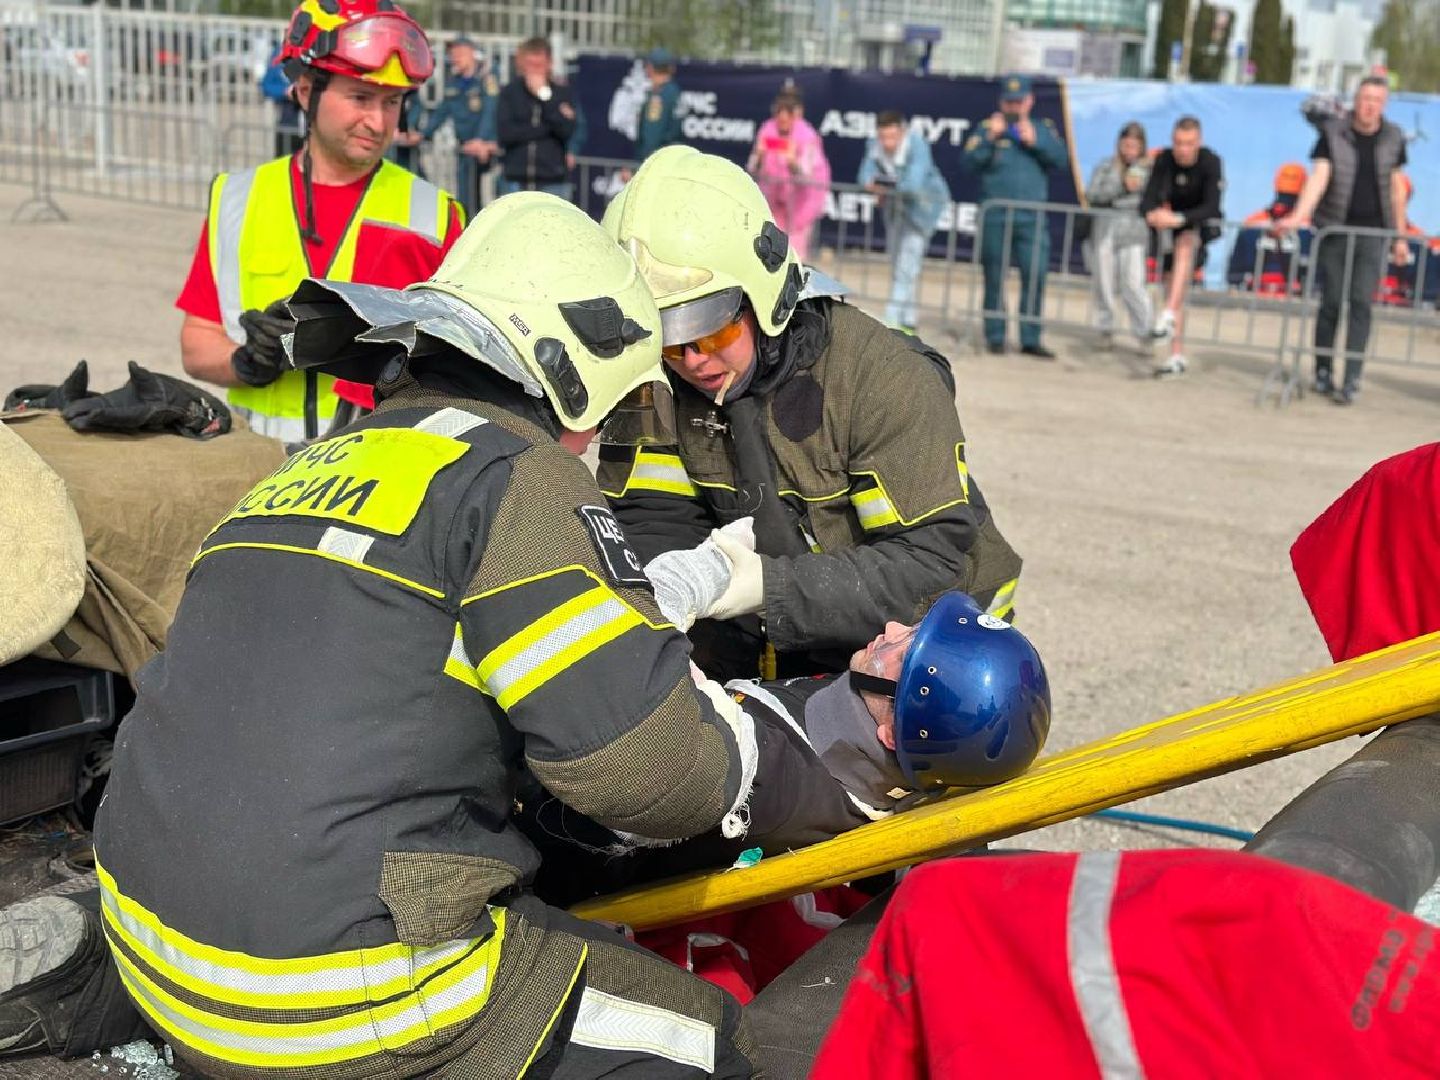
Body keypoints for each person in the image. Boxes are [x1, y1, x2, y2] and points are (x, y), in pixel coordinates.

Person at [0, 194, 830, 1073]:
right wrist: (766, 740)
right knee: (703, 1035)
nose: (593, 444)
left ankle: (99, 961)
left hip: (152, 931)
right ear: (576, 375)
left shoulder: (308, 464)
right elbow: (653, 777)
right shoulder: (518, 476)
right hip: (335, 999)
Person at [599, 146, 1023, 682]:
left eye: (712, 329)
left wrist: (764, 587)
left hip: (931, 650)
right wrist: (678, 590)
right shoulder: (656, 380)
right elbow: (649, 516)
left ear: (764, 292)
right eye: (667, 338)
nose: (693, 360)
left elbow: (929, 566)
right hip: (772, 633)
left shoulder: (881, 376)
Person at [174, 0, 466, 443]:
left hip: (377, 478)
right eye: (360, 97)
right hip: (259, 474)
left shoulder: (435, 213)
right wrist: (246, 362)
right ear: (307, 90)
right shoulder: (237, 198)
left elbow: (467, 369)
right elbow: (196, 343)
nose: (378, 121)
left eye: (392, 102)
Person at [1275, 76, 1410, 405]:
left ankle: (1352, 378)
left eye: (1377, 100)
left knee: (1361, 304)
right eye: (1365, 98)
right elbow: (1319, 178)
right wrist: (1299, 216)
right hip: (1334, 229)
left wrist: (1400, 237)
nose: (1369, 106)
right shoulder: (1332, 133)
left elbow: (1396, 190)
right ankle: (1322, 370)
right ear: (1355, 99)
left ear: (1385, 104)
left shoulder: (1394, 137)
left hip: (1373, 234)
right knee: (1332, 302)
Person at [962, 74, 1066, 359]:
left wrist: (1037, 142)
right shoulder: (987, 129)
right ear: (1001, 102)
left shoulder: (1042, 129)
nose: (1014, 107)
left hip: (1032, 218)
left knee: (1035, 275)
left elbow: (1061, 159)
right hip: (995, 215)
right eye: (1009, 101)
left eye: (1019, 101)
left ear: (1030, 101)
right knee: (994, 275)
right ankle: (995, 335)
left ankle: (1030, 338)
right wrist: (989, 139)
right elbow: (968, 162)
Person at [1140, 115, 1223, 379]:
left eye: (1188, 143)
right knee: (1172, 286)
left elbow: (1212, 205)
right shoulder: (1164, 160)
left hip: (1198, 226)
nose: (1183, 149)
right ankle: (1175, 354)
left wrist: (1180, 219)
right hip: (1169, 228)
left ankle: (1166, 315)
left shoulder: (1211, 161)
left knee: (1186, 246)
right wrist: (1152, 214)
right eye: (1178, 143)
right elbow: (1147, 198)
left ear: (1198, 142)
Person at [857, 111, 950, 333]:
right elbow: (864, 176)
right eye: (883, 137)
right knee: (898, 261)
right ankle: (908, 319)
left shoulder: (918, 146)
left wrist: (881, 185)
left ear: (902, 132)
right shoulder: (873, 144)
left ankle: (891, 320)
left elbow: (913, 183)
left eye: (892, 137)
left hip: (922, 210)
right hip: (895, 210)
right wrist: (878, 184)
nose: (887, 143)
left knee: (907, 265)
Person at [1085, 120, 1152, 349]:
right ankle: (1106, 328)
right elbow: (1093, 194)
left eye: (1134, 146)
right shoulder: (1105, 166)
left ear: (1142, 146)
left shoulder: (1149, 170)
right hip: (1105, 229)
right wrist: (1122, 187)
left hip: (1133, 231)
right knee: (1103, 282)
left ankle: (1145, 332)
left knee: (1133, 283)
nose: (1129, 150)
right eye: (1125, 145)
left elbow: (1153, 199)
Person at [748, 87, 831, 264]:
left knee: (795, 256)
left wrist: (793, 164)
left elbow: (808, 176)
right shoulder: (767, 129)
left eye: (789, 111)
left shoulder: (808, 136)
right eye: (779, 112)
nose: (783, 118)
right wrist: (760, 157)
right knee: (770, 252)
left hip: (802, 204)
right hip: (773, 201)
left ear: (797, 112)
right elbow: (753, 167)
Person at [419, 36, 498, 217]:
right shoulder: (455, 81)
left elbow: (490, 110)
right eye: (452, 54)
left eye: (459, 53)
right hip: (464, 148)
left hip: (484, 149)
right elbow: (442, 110)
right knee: (465, 198)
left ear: (471, 53)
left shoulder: (486, 77)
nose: (455, 58)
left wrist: (481, 140)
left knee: (489, 197)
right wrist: (423, 134)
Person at [495, 36, 579, 200]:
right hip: (516, 179)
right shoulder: (510, 92)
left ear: (549, 64)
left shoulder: (561, 93)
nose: (533, 71)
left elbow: (565, 130)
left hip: (552, 180)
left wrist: (544, 96)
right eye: (529, 65)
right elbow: (506, 134)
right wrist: (544, 130)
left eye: (538, 66)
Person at [635, 46, 684, 163]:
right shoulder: (675, 92)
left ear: (650, 68)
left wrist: (639, 168)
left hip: (657, 163)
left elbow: (652, 136)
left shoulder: (658, 97)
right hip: (671, 159)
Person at [258, 41, 302, 159]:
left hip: (313, 128)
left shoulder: (319, 51)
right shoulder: (281, 52)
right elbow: (266, 86)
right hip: (287, 124)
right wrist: (285, 91)